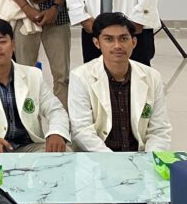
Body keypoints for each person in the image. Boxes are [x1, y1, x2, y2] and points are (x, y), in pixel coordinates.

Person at [0, 18, 70, 153]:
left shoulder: (33, 75)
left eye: (2, 41)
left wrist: (56, 132)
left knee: (65, 151)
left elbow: (55, 110)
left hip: (28, 147)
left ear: (13, 45)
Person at [68, 12, 171, 152]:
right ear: (97, 43)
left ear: (133, 42)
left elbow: (159, 130)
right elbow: (82, 130)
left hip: (141, 156)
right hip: (98, 156)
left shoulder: (152, 77)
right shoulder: (80, 76)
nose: (117, 45)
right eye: (109, 39)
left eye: (123, 39)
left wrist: (150, 158)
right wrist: (113, 160)